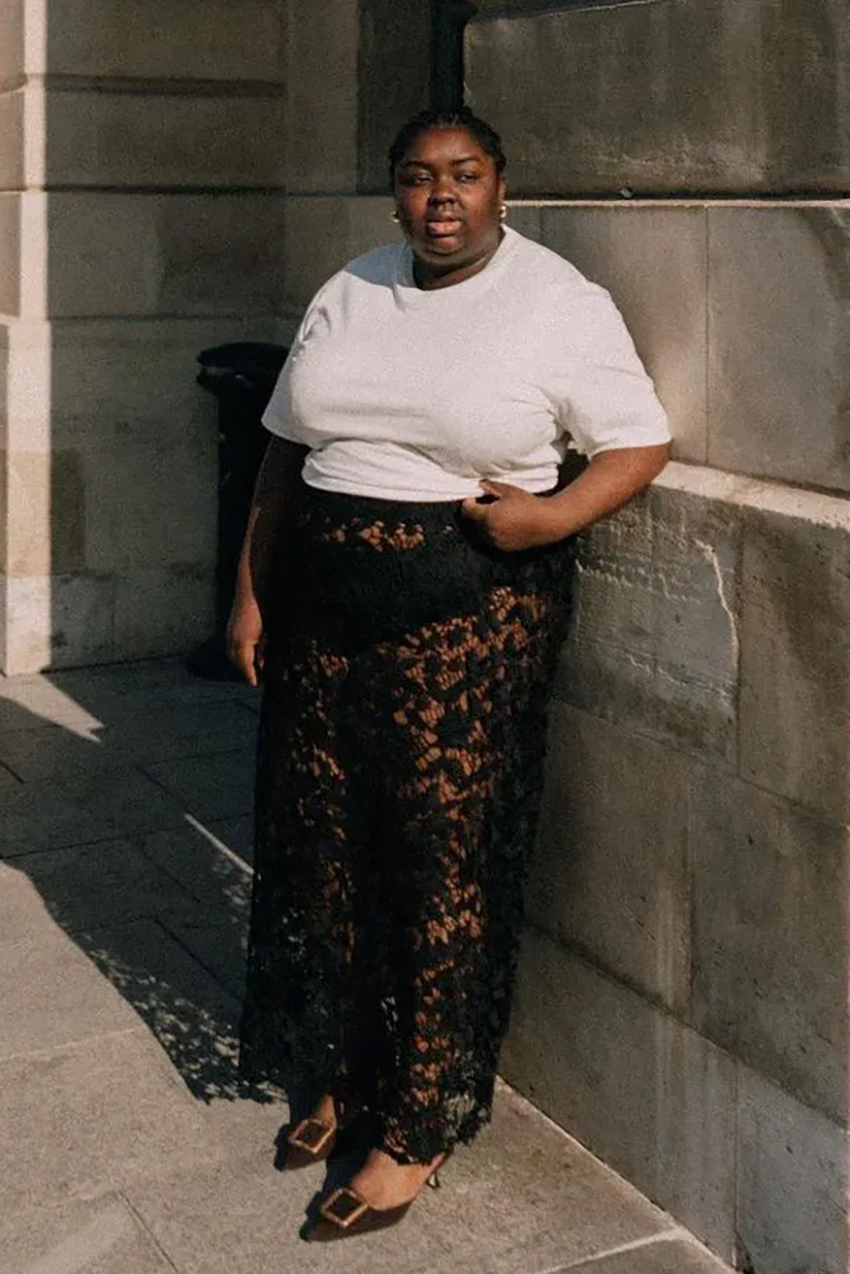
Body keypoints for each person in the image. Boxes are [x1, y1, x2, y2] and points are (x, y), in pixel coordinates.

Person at [227, 106, 671, 1242]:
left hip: (465, 623)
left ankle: (414, 1120)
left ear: (500, 187)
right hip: (323, 615)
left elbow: (637, 440)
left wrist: (552, 516)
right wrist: (250, 588)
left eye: (462, 175)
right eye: (418, 178)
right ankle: (335, 1063)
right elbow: (285, 446)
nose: (440, 197)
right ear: (392, 195)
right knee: (322, 848)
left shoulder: (557, 302)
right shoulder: (350, 287)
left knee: (436, 865)